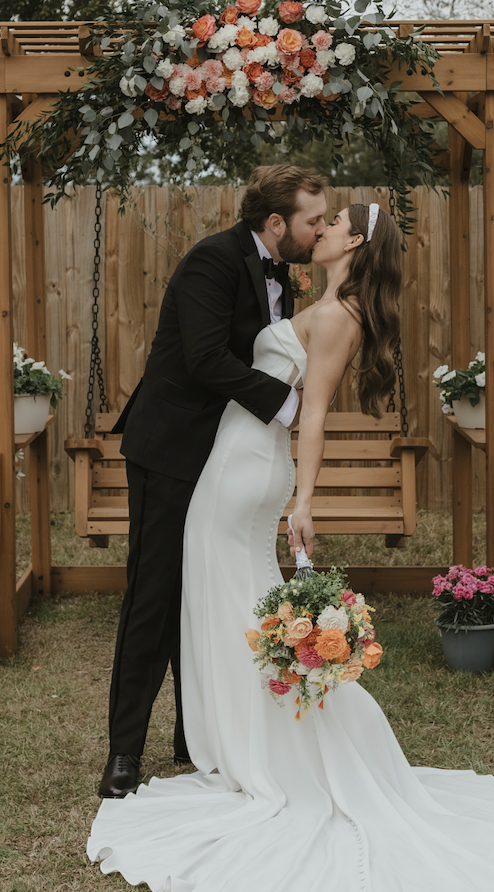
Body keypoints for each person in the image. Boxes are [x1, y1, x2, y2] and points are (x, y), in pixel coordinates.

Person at [87, 201, 494, 892]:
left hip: (245, 467)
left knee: (227, 595)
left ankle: (244, 741)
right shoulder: (309, 297)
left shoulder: (337, 314)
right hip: (236, 460)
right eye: (319, 218)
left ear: (355, 243)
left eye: (335, 222)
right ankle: (222, 735)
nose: (322, 230)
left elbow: (310, 411)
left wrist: (305, 497)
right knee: (230, 597)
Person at [99, 164, 329, 799]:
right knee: (155, 594)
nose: (319, 230)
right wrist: (289, 408)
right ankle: (124, 752)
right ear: (275, 222)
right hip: (173, 449)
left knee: (207, 590)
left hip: (227, 457)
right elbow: (204, 359)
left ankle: (194, 731)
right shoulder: (212, 260)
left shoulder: (282, 270)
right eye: (312, 219)